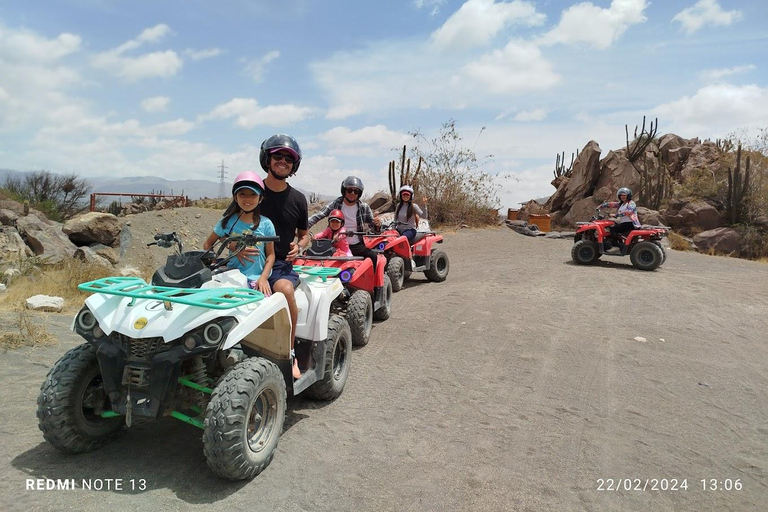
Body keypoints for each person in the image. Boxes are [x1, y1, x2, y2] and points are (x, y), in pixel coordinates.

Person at [257, 134, 310, 379]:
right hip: (245, 261)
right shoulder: (251, 191)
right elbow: (229, 225)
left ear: (294, 166)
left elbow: (305, 234)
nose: (283, 161)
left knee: (286, 290)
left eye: (289, 158)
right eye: (278, 155)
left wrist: (299, 246)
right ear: (267, 159)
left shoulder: (298, 199)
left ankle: (290, 353)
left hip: (279, 265)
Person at [203, 171, 275, 295]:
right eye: (242, 194)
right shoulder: (226, 222)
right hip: (232, 277)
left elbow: (271, 255)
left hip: (256, 278)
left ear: (260, 198)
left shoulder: (266, 224)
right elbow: (208, 244)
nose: (247, 199)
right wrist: (213, 262)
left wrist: (263, 278)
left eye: (253, 194)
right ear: (235, 197)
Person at [308, 176, 381, 272]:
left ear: (359, 193)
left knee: (373, 257)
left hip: (355, 245)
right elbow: (319, 215)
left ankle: (375, 286)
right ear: (344, 190)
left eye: (356, 191)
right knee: (312, 259)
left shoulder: (364, 207)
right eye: (349, 190)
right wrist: (303, 226)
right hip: (334, 244)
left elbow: (374, 228)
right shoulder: (336, 204)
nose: (352, 193)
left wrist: (377, 225)